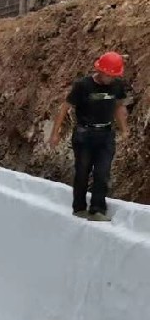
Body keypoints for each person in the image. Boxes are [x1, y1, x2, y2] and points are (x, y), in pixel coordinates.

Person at [50, 52, 129, 221]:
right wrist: (55, 134)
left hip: (106, 135)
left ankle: (97, 209)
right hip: (84, 135)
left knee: (103, 172)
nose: (110, 79)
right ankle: (79, 207)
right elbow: (65, 108)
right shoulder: (83, 86)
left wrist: (124, 129)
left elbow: (119, 107)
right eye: (108, 75)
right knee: (83, 172)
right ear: (100, 70)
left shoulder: (117, 86)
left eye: (114, 75)